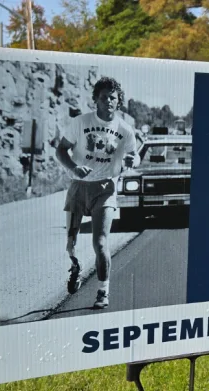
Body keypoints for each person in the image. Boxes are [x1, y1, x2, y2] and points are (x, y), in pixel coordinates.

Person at [55, 77, 139, 309]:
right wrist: (73, 167)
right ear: (96, 100)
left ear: (118, 101)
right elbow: (61, 150)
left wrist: (133, 160)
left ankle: (103, 292)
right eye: (104, 97)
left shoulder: (124, 129)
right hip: (78, 187)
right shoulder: (81, 122)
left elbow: (135, 156)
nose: (108, 101)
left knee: (100, 243)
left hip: (105, 188)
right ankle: (75, 266)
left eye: (113, 97)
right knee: (70, 244)